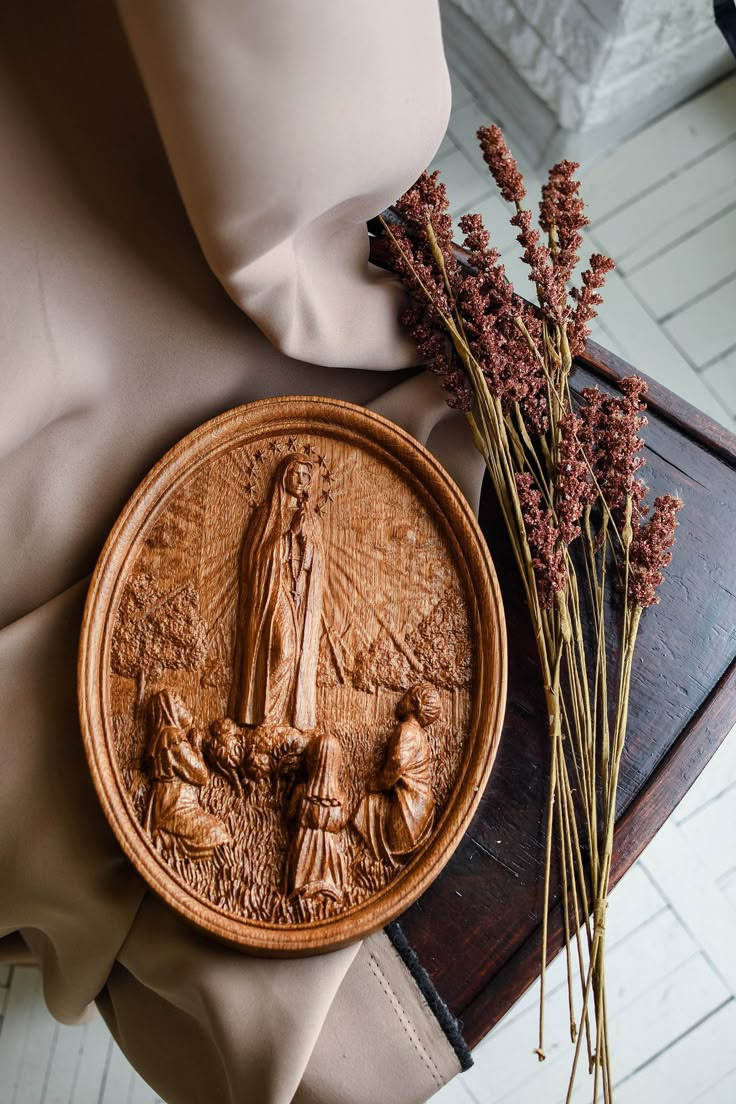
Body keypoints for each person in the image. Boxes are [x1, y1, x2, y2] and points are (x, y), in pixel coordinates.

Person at [229, 453, 324, 732]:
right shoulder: (267, 513)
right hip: (274, 589)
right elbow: (254, 559)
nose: (301, 480)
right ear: (283, 476)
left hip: (301, 595)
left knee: (296, 654)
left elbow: (317, 562)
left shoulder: (313, 519)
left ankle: (287, 721)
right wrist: (287, 535)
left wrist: (307, 541)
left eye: (307, 476)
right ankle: (266, 717)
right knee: (282, 650)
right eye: (296, 473)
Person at [353, 683, 440, 866]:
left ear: (415, 705)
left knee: (366, 805)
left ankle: (379, 856)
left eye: (406, 696)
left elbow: (396, 766)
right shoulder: (419, 734)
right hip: (420, 804)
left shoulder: (407, 729)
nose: (401, 700)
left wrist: (375, 785)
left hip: (409, 808)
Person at [144, 690, 231, 861]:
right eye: (180, 704)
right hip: (177, 808)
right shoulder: (174, 738)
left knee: (217, 830)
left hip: (164, 806)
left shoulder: (159, 738)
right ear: (170, 709)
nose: (184, 707)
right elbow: (201, 776)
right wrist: (196, 746)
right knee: (218, 835)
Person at [286, 732, 347, 905]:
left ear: (311, 760)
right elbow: (342, 822)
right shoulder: (340, 798)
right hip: (330, 848)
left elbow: (289, 815)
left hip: (303, 845)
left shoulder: (302, 792)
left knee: (301, 879)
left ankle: (302, 894)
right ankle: (327, 893)